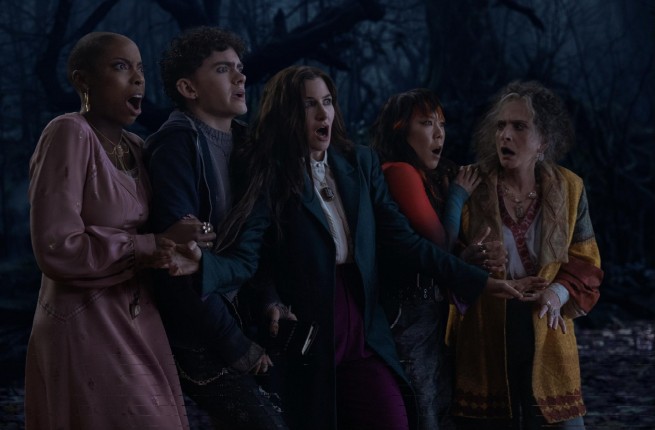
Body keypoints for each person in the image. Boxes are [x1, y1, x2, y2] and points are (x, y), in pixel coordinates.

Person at [237, 66, 546, 430]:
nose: (323, 113)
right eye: (309, 104)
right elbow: (253, 254)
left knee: (392, 417)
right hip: (309, 324)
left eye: (328, 101)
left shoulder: (359, 162)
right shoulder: (270, 173)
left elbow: (406, 242)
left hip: (363, 318)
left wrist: (481, 281)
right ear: (287, 112)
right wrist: (265, 298)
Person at [24, 32, 190, 429]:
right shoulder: (68, 132)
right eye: (120, 67)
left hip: (137, 317)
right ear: (83, 80)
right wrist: (150, 245)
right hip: (84, 317)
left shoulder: (136, 145)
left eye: (140, 68)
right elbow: (57, 246)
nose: (138, 78)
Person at [145, 26, 287, 429]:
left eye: (239, 68)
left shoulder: (247, 145)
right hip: (197, 333)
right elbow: (178, 264)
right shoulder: (176, 145)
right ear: (188, 88)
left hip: (244, 318)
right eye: (223, 69)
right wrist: (234, 344)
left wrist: (270, 300)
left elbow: (253, 244)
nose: (240, 77)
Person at [447, 81, 604, 429]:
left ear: (543, 141)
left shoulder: (569, 187)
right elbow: (444, 253)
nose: (505, 135)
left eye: (519, 126)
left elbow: (586, 261)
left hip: (547, 325)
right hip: (486, 328)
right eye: (501, 125)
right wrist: (469, 259)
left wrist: (556, 293)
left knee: (558, 422)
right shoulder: (471, 185)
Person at [370, 88, 507, 430]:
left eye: (442, 124)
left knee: (438, 409)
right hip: (408, 319)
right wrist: (457, 197)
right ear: (400, 129)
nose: (439, 133)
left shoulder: (423, 177)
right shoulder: (398, 171)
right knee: (424, 411)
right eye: (426, 123)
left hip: (430, 317)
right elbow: (438, 244)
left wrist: (468, 254)